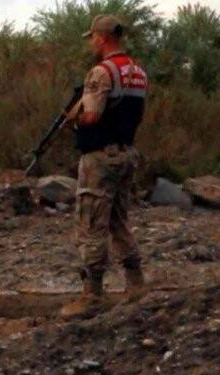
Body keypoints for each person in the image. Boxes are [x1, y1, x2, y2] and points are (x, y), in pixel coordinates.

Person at [59, 14, 149, 319]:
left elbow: (93, 116)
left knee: (91, 223)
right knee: (119, 220)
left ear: (103, 37)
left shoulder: (101, 72)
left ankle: (92, 296)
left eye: (93, 38)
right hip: (127, 153)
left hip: (100, 157)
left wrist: (74, 120)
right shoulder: (137, 72)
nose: (91, 43)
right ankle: (136, 285)